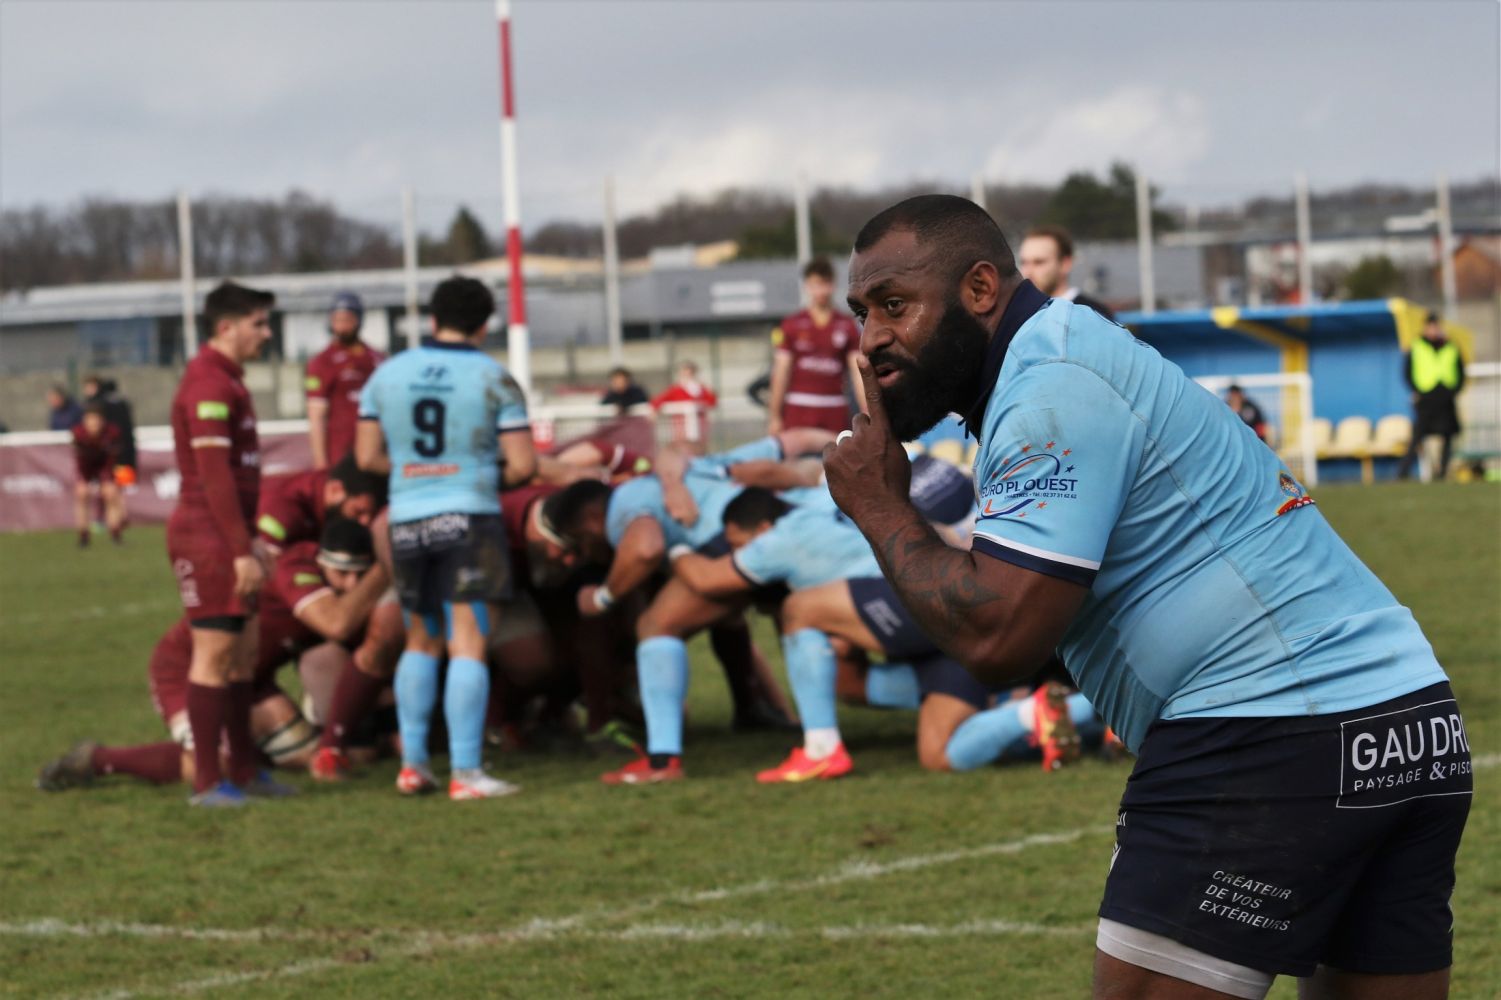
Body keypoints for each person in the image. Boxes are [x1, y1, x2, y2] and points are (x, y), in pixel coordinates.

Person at [825, 194, 1469, 1000]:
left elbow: (999, 637)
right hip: (1409, 722)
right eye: (861, 314)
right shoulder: (1069, 352)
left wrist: (880, 506)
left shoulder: (1050, 385)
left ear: (980, 288)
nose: (872, 338)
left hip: (1266, 727)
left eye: (894, 305)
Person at [672, 485, 1100, 780]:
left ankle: (821, 750)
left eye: (738, 543)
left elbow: (707, 579)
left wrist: (673, 542)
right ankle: (1060, 713)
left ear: (761, 529)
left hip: (911, 595)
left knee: (798, 609)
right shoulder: (814, 499)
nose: (739, 553)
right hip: (942, 631)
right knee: (937, 755)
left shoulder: (779, 539)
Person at [37, 520, 388, 795]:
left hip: (250, 683)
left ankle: (245, 755)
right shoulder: (297, 565)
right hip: (188, 671)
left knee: (311, 758)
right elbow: (337, 623)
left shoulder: (337, 577)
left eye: (360, 573)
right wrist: (385, 570)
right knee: (212, 765)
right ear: (322, 561)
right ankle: (98, 759)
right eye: (343, 573)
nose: (351, 584)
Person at [356, 275, 537, 801]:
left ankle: (413, 765)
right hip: (468, 518)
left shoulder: (386, 375)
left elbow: (367, 457)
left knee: (420, 639)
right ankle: (466, 772)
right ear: (485, 324)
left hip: (408, 519)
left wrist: (417, 472)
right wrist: (467, 473)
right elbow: (523, 466)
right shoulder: (494, 378)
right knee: (468, 643)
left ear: (432, 319)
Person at [167, 281, 287, 807]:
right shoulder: (208, 384)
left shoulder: (229, 381)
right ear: (226, 327)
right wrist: (240, 550)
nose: (267, 333)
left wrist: (252, 540)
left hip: (229, 534)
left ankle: (244, 770)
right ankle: (207, 783)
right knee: (214, 654)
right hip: (206, 538)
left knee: (243, 656)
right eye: (258, 323)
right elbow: (214, 475)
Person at [766, 257, 866, 435]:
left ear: (833, 285)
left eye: (825, 284)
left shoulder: (847, 326)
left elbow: (858, 373)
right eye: (815, 285)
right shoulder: (791, 324)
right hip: (798, 410)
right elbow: (781, 372)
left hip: (834, 410)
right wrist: (774, 416)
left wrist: (867, 412)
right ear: (806, 286)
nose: (820, 291)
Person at [305, 292, 385, 471]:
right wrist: (321, 464)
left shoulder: (378, 359)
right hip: (341, 457)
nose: (341, 326)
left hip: (375, 453)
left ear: (359, 320)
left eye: (347, 320)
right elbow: (316, 417)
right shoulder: (321, 362)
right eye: (337, 320)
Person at [255, 453, 387, 557]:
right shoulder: (283, 509)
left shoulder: (329, 494)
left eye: (372, 514)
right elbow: (265, 568)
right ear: (335, 490)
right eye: (358, 511)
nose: (366, 522)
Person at [1398, 313, 1465, 481]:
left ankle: (1442, 473)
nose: (1433, 330)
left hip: (1445, 396)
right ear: (1425, 328)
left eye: (1436, 327)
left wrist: (1454, 390)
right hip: (1425, 397)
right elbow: (1407, 372)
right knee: (1417, 435)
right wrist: (1416, 390)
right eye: (1430, 327)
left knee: (1448, 435)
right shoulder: (1416, 346)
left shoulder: (1451, 346)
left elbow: (1461, 372)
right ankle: (1403, 473)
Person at [1018, 225, 1116, 321]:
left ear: (1065, 263)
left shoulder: (1095, 316)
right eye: (1023, 262)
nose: (1027, 272)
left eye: (1039, 262)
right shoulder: (1020, 314)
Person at [71, 403, 126, 546]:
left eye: (96, 420)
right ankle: (83, 536)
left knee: (110, 493)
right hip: (86, 468)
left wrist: (106, 480)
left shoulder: (112, 433)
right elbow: (81, 461)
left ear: (102, 420)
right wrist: (85, 480)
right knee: (81, 493)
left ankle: (115, 534)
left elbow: (112, 459)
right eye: (90, 420)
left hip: (105, 467)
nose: (93, 424)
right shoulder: (78, 434)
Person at [82, 374, 139, 489]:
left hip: (110, 454)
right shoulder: (122, 403)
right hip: (125, 452)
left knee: (111, 488)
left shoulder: (97, 405)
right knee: (123, 488)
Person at [651, 360, 717, 451]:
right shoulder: (677, 389)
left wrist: (709, 390)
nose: (687, 375)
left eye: (690, 373)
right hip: (682, 423)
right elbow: (659, 399)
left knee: (700, 445)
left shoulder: (700, 388)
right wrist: (654, 410)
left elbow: (712, 402)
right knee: (683, 445)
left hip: (699, 422)